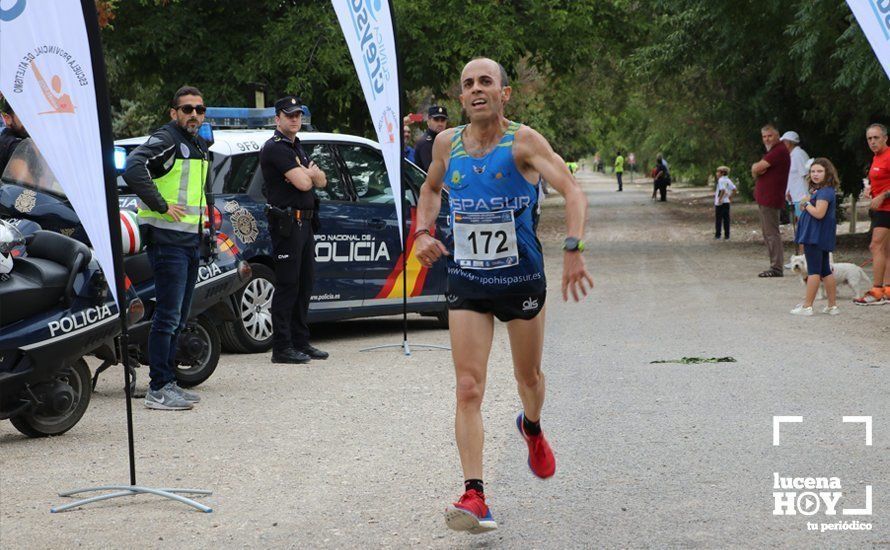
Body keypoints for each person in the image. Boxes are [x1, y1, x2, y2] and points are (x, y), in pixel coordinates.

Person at [412, 57, 594, 534]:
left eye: (485, 82)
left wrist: (573, 247)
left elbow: (572, 190)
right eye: (468, 84)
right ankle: (475, 494)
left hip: (520, 281)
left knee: (528, 378)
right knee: (468, 387)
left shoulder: (523, 142)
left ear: (504, 94)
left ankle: (531, 426)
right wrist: (423, 232)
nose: (476, 90)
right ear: (461, 96)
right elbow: (429, 190)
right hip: (468, 281)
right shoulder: (446, 143)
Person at [123, 86, 210, 411]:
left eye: (199, 109)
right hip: (168, 242)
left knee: (178, 317)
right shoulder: (168, 138)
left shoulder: (196, 143)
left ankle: (168, 382)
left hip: (188, 242)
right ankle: (158, 388)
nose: (193, 115)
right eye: (186, 109)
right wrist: (159, 205)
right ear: (174, 112)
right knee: (168, 316)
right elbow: (133, 167)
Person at [259, 96, 329, 363]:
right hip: (287, 225)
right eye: (289, 115)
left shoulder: (297, 147)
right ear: (277, 118)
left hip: (305, 223)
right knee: (288, 285)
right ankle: (282, 347)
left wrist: (309, 174)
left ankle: (301, 341)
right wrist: (308, 174)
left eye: (298, 114)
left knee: (305, 284)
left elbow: (321, 180)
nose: (295, 118)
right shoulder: (275, 148)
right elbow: (303, 183)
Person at [790, 158, 839, 315]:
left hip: (814, 236)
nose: (815, 174)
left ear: (828, 173)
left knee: (814, 271)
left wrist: (806, 204)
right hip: (821, 236)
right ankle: (832, 306)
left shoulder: (824, 192)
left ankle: (807, 306)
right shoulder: (823, 190)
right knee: (825, 271)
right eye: (813, 171)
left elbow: (819, 213)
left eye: (819, 171)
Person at [854, 123, 890, 305]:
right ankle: (888, 289)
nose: (873, 142)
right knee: (885, 249)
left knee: (875, 246)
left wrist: (883, 195)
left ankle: (876, 290)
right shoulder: (876, 157)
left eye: (876, 138)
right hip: (881, 209)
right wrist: (872, 192)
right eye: (869, 138)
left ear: (885, 138)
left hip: (887, 209)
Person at [751, 124, 790, 278]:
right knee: (768, 233)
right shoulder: (773, 151)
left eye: (770, 136)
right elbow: (758, 170)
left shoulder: (778, 151)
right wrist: (758, 169)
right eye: (764, 137)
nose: (767, 139)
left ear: (777, 136)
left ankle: (776, 268)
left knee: (771, 233)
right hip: (766, 197)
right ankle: (775, 265)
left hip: (771, 197)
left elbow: (757, 168)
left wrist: (756, 168)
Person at [781, 131, 809, 263]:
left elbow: (805, 175)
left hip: (801, 197)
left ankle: (803, 259)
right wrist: (788, 191)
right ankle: (801, 258)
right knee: (800, 227)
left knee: (803, 228)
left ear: (790, 142)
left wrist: (807, 196)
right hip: (796, 196)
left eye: (784, 142)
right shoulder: (792, 155)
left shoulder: (798, 155)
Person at [413, 105, 448, 172]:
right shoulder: (425, 143)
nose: (440, 123)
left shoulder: (445, 140)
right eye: (436, 120)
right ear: (428, 121)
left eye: (443, 120)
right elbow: (431, 171)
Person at [0, 97, 28, 175]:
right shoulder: (14, 144)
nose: (29, 120)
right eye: (23, 114)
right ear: (7, 118)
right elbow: (26, 182)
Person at [714, 165, 736, 240]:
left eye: (718, 172)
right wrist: (731, 197)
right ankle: (727, 235)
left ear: (722, 173)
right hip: (727, 202)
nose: (716, 173)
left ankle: (718, 235)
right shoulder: (728, 180)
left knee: (718, 219)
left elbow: (722, 190)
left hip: (720, 203)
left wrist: (720, 199)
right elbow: (734, 189)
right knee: (726, 219)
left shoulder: (721, 180)